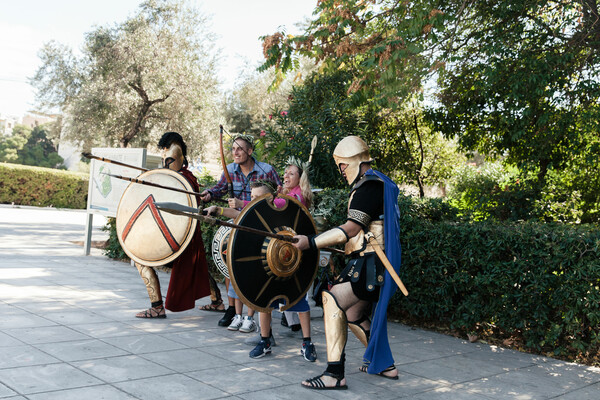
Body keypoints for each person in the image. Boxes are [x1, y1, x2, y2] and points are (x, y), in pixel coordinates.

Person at [293, 136, 401, 390]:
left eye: (342, 166)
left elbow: (352, 228)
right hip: (371, 262)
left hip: (371, 264)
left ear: (353, 159)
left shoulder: (368, 186)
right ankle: (385, 364)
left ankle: (334, 374)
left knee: (332, 299)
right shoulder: (378, 182)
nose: (341, 172)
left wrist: (311, 242)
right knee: (353, 313)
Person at [200, 134, 282, 326]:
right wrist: (210, 193)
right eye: (233, 149)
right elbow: (219, 188)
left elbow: (279, 195)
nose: (235, 152)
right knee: (229, 266)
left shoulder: (267, 170)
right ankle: (233, 310)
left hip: (259, 225)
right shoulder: (229, 170)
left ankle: (251, 314)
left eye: (240, 149)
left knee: (254, 269)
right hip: (236, 222)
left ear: (250, 151)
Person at [134, 132, 211, 318]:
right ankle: (217, 301)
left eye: (167, 155)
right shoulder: (187, 177)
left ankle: (157, 306)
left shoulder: (181, 179)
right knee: (196, 267)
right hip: (184, 235)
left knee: (140, 259)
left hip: (177, 236)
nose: (165, 159)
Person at [249, 158, 317, 362]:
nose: (286, 176)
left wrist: (255, 201)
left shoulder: (298, 197)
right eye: (285, 173)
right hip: (271, 254)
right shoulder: (286, 195)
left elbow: (274, 207)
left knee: (299, 300)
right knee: (265, 300)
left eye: (291, 174)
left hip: (292, 257)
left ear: (300, 179)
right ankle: (265, 340)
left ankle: (307, 342)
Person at [203, 181, 279, 333]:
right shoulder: (252, 211)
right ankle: (239, 317)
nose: (253, 200)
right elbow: (237, 214)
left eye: (258, 197)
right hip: (246, 258)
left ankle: (250, 320)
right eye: (252, 196)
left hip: (263, 263)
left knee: (254, 292)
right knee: (237, 286)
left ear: (269, 198)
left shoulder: (272, 215)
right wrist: (217, 209)